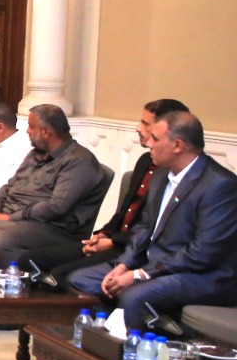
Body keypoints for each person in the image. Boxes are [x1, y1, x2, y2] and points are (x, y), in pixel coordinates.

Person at [68, 111, 237, 330]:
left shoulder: (219, 185)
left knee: (133, 297)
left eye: (155, 139)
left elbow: (202, 253)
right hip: (153, 265)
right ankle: (109, 336)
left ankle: (133, 346)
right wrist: (123, 264)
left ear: (177, 145)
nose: (148, 143)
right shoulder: (160, 175)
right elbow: (143, 228)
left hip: (200, 275)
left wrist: (139, 275)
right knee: (80, 280)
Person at [18, 99, 190, 278]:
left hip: (134, 250)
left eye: (145, 123)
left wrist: (113, 241)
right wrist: (103, 234)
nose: (138, 128)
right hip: (112, 241)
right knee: (29, 260)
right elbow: (123, 212)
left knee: (60, 274)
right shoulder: (145, 161)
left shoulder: (175, 174)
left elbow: (155, 229)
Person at [0, 104, 111, 264]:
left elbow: (56, 207)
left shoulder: (79, 161)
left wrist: (10, 218)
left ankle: (14, 277)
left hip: (50, 227)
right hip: (12, 217)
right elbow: (9, 185)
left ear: (46, 132)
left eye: (31, 127)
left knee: (0, 241)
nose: (27, 131)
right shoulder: (36, 154)